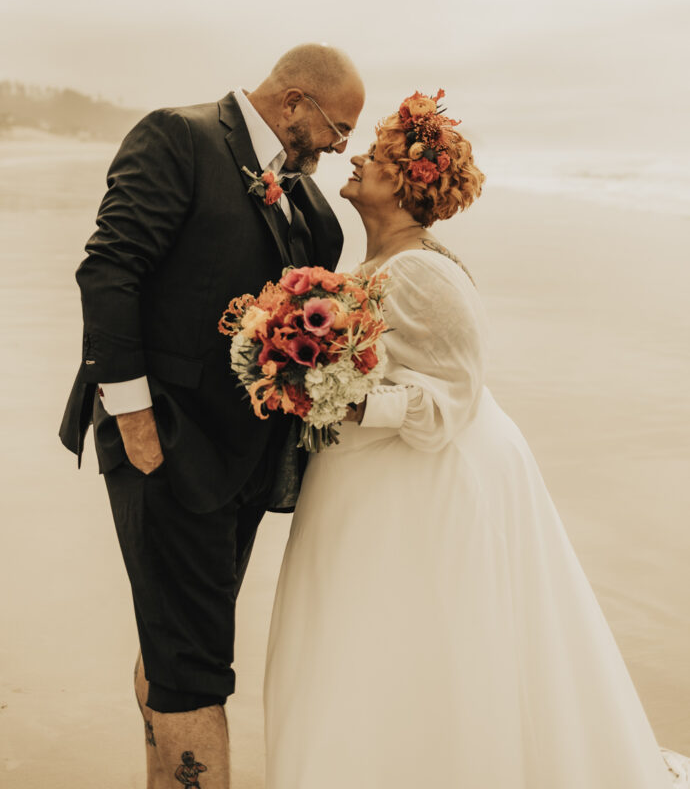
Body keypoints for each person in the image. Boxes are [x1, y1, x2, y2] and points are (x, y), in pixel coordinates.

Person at [263, 90, 687, 787]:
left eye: (377, 154)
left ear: (402, 182)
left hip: (425, 490)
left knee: (418, 648)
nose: (359, 156)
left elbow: (452, 400)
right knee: (362, 648)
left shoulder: (422, 273)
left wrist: (335, 400)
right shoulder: (373, 264)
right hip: (369, 488)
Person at [59, 44, 365, 789]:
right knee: (197, 664)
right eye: (337, 127)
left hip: (244, 463)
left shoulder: (317, 213)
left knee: (177, 640)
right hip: (162, 442)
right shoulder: (180, 138)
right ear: (293, 101)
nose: (337, 146)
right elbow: (110, 269)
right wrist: (136, 426)